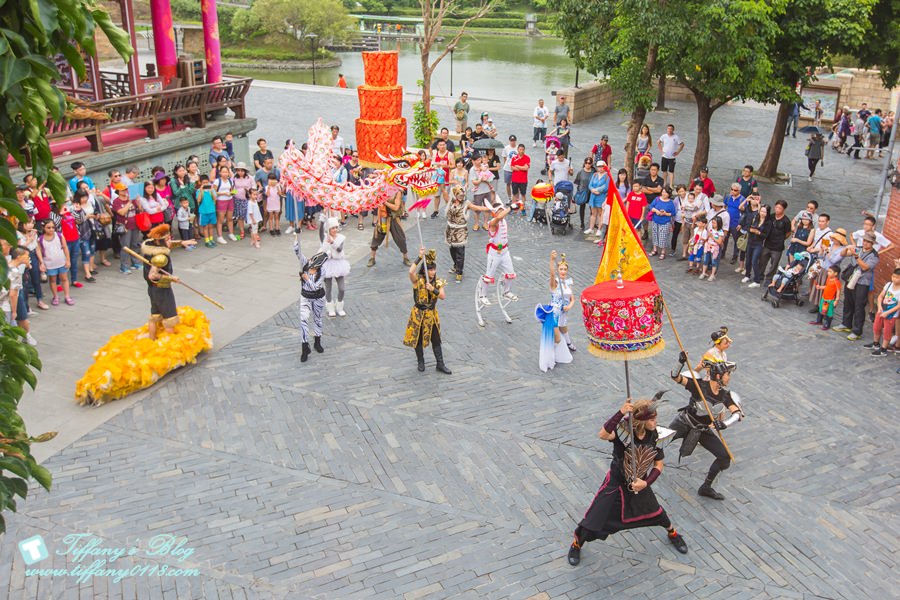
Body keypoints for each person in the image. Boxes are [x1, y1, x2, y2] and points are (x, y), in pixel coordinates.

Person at [567, 397, 688, 566]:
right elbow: (602, 434)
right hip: (616, 483)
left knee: (657, 513)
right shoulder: (623, 432)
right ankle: (576, 544)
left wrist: (646, 483)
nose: (655, 422)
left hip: (640, 483)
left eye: (655, 419)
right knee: (594, 518)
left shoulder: (656, 435)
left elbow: (658, 464)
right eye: (652, 420)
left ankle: (673, 533)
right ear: (641, 421)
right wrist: (621, 412)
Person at [669, 356, 741, 500]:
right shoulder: (699, 385)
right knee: (658, 442)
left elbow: (737, 414)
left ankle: (706, 487)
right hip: (684, 423)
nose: (729, 378)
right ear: (719, 376)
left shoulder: (725, 395)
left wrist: (724, 423)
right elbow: (675, 377)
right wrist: (680, 362)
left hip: (702, 430)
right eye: (728, 375)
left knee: (724, 458)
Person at [141, 224, 195, 340]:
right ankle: (170, 346)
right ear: (160, 241)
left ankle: (151, 339)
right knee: (170, 319)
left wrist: (182, 242)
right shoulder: (160, 258)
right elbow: (152, 275)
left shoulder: (151, 245)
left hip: (152, 289)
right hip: (162, 290)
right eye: (167, 239)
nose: (169, 240)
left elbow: (168, 244)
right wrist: (172, 279)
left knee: (154, 316)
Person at [403, 248, 451, 374]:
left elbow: (442, 296)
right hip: (418, 314)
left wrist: (432, 289)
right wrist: (419, 257)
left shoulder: (438, 282)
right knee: (417, 338)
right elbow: (410, 271)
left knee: (436, 338)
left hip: (431, 314)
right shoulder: (418, 280)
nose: (433, 272)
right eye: (430, 269)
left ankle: (440, 363)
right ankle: (421, 361)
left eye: (434, 269)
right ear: (425, 270)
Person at [833, 232, 880, 341]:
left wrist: (856, 256)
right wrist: (847, 248)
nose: (865, 243)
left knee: (859, 306)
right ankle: (846, 324)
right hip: (851, 279)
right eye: (864, 240)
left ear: (872, 243)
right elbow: (843, 254)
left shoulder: (874, 256)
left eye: (868, 242)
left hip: (862, 282)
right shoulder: (858, 248)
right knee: (847, 302)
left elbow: (865, 267)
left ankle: (857, 331)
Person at [536, 251, 575, 372]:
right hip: (553, 314)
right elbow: (552, 275)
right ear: (558, 270)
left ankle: (566, 345)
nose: (563, 271)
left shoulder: (568, 284)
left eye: (564, 269)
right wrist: (551, 261)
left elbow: (572, 298)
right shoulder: (554, 285)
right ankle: (551, 356)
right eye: (561, 269)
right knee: (557, 339)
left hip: (563, 313)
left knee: (564, 329)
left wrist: (570, 306)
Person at [294, 236, 328, 362]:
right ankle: (304, 347)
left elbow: (315, 287)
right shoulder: (305, 264)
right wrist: (297, 236)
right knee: (303, 320)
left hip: (318, 297)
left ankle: (317, 341)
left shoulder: (322, 272)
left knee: (317, 319)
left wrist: (306, 279)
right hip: (305, 297)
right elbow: (297, 250)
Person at [480, 200, 517, 304]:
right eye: (499, 211)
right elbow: (499, 217)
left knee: (510, 273)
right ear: (495, 213)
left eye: (502, 210)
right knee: (489, 275)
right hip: (495, 253)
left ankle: (506, 292)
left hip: (505, 251)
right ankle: (482, 295)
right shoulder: (493, 223)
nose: (502, 213)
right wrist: (511, 207)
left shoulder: (504, 221)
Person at [751, 200, 790, 288]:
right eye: (776, 207)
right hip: (767, 243)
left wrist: (781, 239)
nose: (777, 209)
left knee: (774, 264)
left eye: (780, 208)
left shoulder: (786, 221)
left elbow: (788, 233)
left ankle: (769, 278)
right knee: (762, 261)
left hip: (778, 247)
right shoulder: (771, 217)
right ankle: (760, 275)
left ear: (784, 209)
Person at [368, 190, 411, 267]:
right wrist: (378, 221)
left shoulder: (397, 192)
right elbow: (379, 207)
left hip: (394, 219)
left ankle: (405, 258)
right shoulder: (382, 190)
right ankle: (372, 258)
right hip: (383, 218)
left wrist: (385, 202)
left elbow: (396, 207)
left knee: (400, 238)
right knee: (376, 237)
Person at [35, 219, 72, 306]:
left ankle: (67, 296)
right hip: (50, 264)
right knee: (52, 280)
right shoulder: (40, 239)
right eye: (48, 227)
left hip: (61, 262)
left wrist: (68, 260)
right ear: (43, 228)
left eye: (53, 227)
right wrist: (41, 262)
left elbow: (65, 248)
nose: (51, 229)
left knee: (64, 279)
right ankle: (55, 296)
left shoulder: (59, 236)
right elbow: (39, 251)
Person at [319, 217, 350, 318]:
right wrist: (322, 221)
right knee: (328, 288)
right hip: (328, 264)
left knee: (342, 288)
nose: (335, 230)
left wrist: (332, 242)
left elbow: (340, 249)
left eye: (336, 227)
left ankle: (339, 306)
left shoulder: (341, 237)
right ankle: (330, 307)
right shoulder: (325, 237)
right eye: (333, 228)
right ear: (328, 229)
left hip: (338, 264)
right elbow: (320, 233)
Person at [865, 268, 900, 355]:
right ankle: (875, 343)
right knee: (876, 327)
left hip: (891, 314)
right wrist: (879, 307)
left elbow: (899, 305)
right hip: (882, 310)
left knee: (887, 331)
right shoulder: (889, 285)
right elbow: (881, 296)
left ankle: (884, 349)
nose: (894, 279)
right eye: (893, 276)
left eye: (897, 277)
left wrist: (887, 312)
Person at [809, 265, 841, 330]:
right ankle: (819, 320)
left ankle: (827, 324)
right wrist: (820, 287)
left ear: (835, 273)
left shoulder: (836, 282)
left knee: (829, 312)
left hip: (830, 300)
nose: (828, 273)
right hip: (824, 298)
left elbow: (838, 291)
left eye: (830, 272)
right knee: (821, 309)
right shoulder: (829, 279)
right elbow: (827, 286)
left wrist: (836, 300)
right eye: (828, 271)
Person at [648, 186, 675, 259]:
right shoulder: (657, 199)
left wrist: (665, 213)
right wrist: (656, 211)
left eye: (666, 192)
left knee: (663, 237)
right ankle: (655, 249)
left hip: (665, 222)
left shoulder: (670, 203)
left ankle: (663, 252)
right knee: (655, 235)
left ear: (669, 194)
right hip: (655, 220)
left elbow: (673, 213)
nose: (664, 194)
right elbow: (651, 207)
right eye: (663, 192)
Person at [639, 163, 664, 241]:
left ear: (657, 171)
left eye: (655, 170)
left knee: (656, 219)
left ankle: (656, 234)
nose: (653, 171)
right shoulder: (646, 179)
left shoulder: (660, 180)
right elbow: (643, 190)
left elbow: (659, 190)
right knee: (645, 219)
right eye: (652, 169)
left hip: (656, 203)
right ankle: (646, 232)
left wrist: (648, 188)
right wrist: (654, 190)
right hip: (646, 202)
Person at [586, 162, 610, 235]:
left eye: (601, 166)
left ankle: (600, 229)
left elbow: (605, 187)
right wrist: (592, 190)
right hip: (593, 196)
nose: (600, 168)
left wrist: (596, 190)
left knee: (600, 213)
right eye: (598, 166)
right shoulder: (595, 175)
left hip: (601, 196)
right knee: (593, 213)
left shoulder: (607, 176)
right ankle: (591, 228)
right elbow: (590, 185)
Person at [431, 140, 453, 218]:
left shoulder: (449, 154)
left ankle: (449, 211)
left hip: (446, 178)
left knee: (446, 195)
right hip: (437, 178)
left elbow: (453, 165)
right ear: (437, 146)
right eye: (440, 145)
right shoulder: (435, 154)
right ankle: (435, 210)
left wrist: (445, 166)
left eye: (444, 144)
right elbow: (432, 165)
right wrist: (435, 166)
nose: (442, 146)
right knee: (436, 196)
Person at [699, 216, 724, 281]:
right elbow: (707, 238)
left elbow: (719, 241)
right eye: (712, 223)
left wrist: (712, 236)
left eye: (714, 223)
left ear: (718, 223)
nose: (713, 224)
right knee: (705, 260)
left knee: (714, 261)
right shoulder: (710, 229)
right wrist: (705, 239)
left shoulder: (720, 232)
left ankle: (713, 274)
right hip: (708, 246)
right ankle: (703, 272)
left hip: (714, 247)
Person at [573, 158, 594, 232]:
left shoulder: (594, 172)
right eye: (586, 163)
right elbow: (577, 182)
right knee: (582, 207)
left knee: (592, 208)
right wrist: (578, 191)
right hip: (582, 192)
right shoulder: (580, 172)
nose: (587, 164)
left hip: (591, 192)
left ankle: (592, 222)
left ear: (591, 164)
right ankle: (582, 223)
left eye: (589, 163)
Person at [510, 144, 530, 216]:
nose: (521, 151)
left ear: (524, 150)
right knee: (514, 194)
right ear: (517, 149)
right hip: (515, 179)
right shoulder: (514, 158)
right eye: (520, 149)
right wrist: (522, 167)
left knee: (523, 194)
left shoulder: (527, 158)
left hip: (523, 180)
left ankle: (522, 209)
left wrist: (518, 166)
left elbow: (526, 168)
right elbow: (512, 167)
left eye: (522, 149)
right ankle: (513, 208)